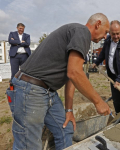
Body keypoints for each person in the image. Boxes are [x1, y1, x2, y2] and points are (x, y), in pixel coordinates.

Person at [6, 13, 111, 150]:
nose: (105, 37)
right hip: (30, 90)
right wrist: (98, 101)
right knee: (28, 145)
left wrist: (69, 110)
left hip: (47, 92)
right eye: (106, 32)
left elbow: (71, 77)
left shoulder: (78, 36)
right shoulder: (82, 32)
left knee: (66, 128)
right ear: (97, 24)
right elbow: (74, 73)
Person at [93, 20, 120, 122]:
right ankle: (119, 121)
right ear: (109, 32)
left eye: (118, 33)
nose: (116, 36)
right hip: (113, 77)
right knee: (116, 101)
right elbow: (103, 53)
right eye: (113, 34)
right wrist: (97, 62)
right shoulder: (108, 41)